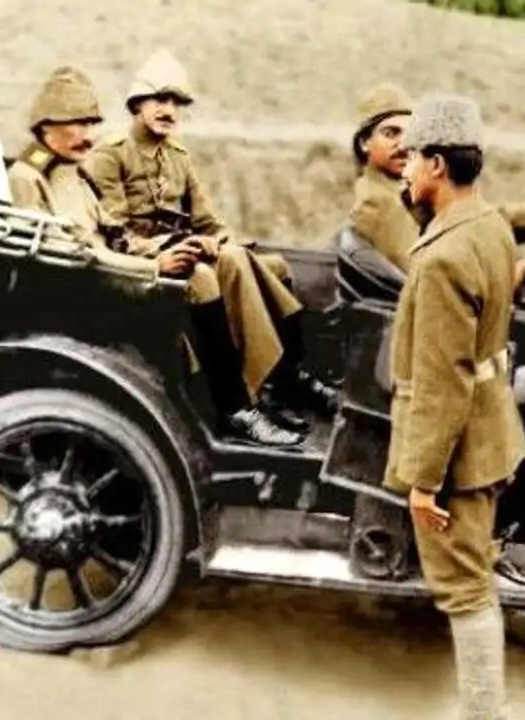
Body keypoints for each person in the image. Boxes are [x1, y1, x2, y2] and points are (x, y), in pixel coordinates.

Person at [5, 65, 303, 447]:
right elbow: (69, 258)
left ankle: (256, 393)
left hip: (104, 275)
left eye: (92, 123)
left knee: (208, 267)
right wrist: (153, 266)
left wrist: (175, 246)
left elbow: (112, 233)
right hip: (81, 298)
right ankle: (235, 409)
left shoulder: (69, 169)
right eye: (77, 123)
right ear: (46, 125)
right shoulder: (29, 178)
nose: (89, 135)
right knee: (199, 280)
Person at [81, 49, 339, 436]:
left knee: (269, 263)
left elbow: (209, 221)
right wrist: (174, 245)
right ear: (137, 104)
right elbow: (115, 233)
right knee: (222, 266)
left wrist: (215, 239)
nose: (168, 110)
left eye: (176, 103)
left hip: (186, 251)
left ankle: (277, 380)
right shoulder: (112, 154)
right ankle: (243, 401)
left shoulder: (178, 156)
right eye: (159, 100)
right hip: (146, 267)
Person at [382, 92, 525, 720]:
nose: (405, 166)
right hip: (490, 431)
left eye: (413, 156)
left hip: (457, 455)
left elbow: (443, 385)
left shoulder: (442, 258)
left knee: (464, 591)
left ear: (438, 164)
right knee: (474, 579)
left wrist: (422, 482)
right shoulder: (488, 226)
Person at [349, 81, 525, 285]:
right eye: (390, 133)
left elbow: (475, 221)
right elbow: (424, 278)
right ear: (364, 142)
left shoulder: (400, 191)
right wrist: (506, 283)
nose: (403, 144)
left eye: (408, 134)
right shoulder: (378, 202)